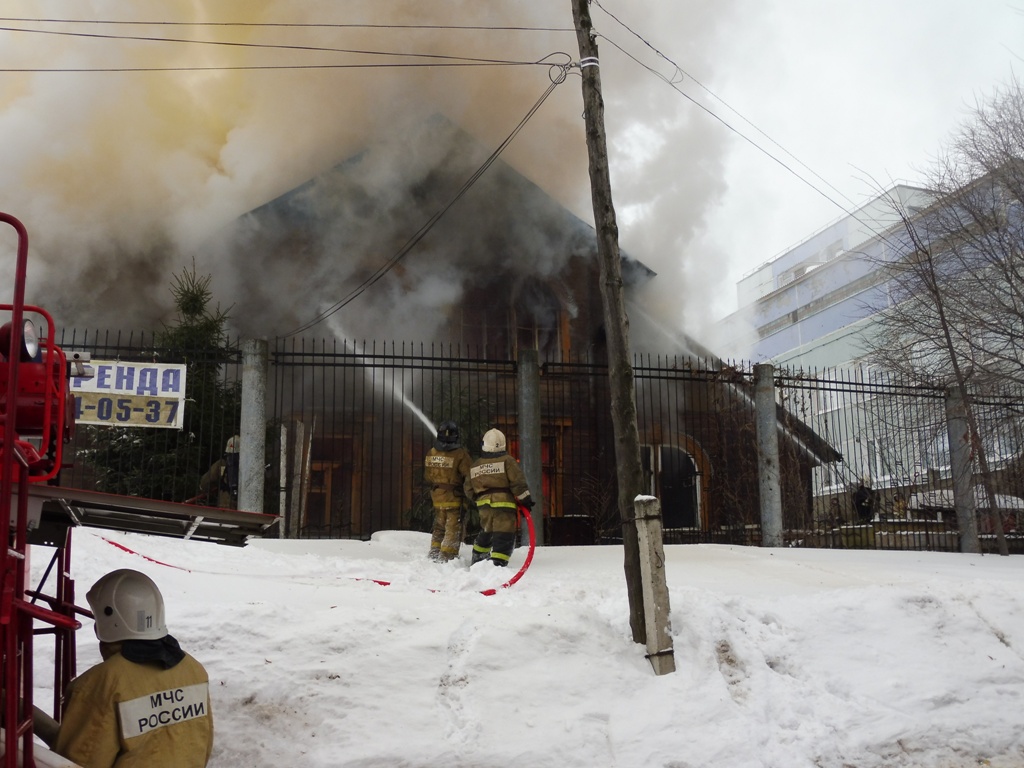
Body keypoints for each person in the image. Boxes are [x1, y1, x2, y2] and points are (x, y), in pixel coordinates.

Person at [35, 568, 214, 767]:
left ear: (108, 619)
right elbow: (202, 747)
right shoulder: (194, 671)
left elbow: (79, 761)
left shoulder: (102, 683)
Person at [464, 428, 534, 566]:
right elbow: (518, 482)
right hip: (504, 505)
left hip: (483, 506)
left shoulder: (476, 465)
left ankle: (478, 557)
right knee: (504, 532)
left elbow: (468, 488)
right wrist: (526, 500)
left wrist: (479, 499)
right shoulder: (507, 461)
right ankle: (498, 562)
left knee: (487, 530)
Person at [423, 421, 472, 562]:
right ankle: (447, 557)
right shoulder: (460, 454)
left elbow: (428, 476)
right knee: (452, 527)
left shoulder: (431, 452)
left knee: (439, 525)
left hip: (437, 497)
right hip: (454, 498)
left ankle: (434, 552)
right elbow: (469, 475)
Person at [198, 435, 240, 509]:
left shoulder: (221, 464)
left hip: (226, 506)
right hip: (245, 506)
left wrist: (206, 490)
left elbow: (206, 482)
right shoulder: (250, 466)